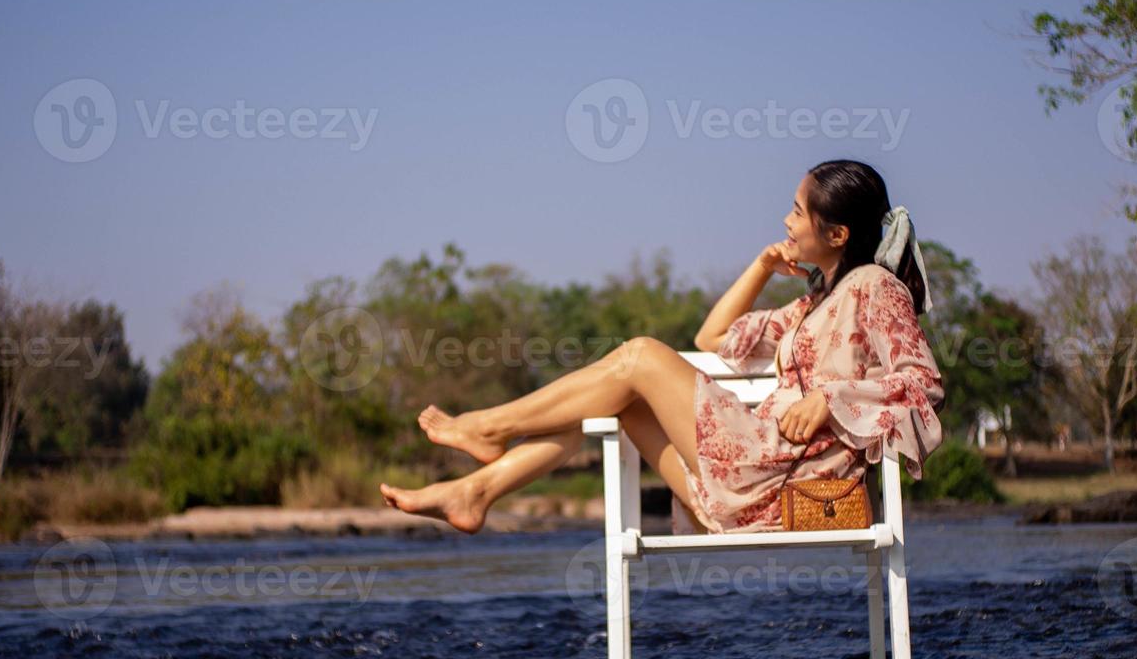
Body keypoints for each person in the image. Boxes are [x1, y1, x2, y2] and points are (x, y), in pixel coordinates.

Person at [379, 160, 945, 535]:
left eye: (798, 211)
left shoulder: (874, 287)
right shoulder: (812, 305)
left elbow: (925, 383)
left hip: (796, 487)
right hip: (750, 475)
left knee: (641, 354)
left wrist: (833, 398)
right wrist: (763, 265)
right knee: (621, 394)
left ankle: (488, 430)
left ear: (837, 235)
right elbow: (713, 339)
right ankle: (477, 490)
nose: (785, 220)